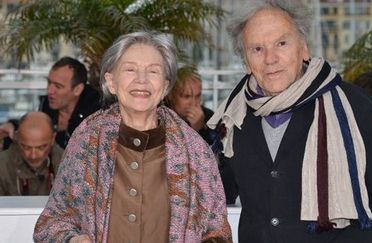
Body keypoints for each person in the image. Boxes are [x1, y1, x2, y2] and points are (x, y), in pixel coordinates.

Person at [207, 1, 372, 242]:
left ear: (304, 48)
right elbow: (215, 197)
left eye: (281, 43)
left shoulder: (354, 107)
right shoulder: (233, 118)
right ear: (246, 61)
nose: (270, 59)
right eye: (257, 49)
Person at [33, 31, 232, 243]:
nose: (141, 80)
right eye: (130, 69)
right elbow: (51, 223)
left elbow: (218, 233)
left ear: (165, 86)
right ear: (111, 81)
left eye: (153, 71)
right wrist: (72, 240)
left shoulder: (195, 150)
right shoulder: (87, 140)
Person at [0, 57, 101, 149]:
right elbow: (34, 128)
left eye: (58, 86)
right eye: (49, 83)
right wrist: (12, 126)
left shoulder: (96, 116)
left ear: (77, 89)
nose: (49, 91)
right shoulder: (46, 106)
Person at [0, 112, 63, 196]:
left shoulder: (69, 165)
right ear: (17, 138)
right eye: (26, 147)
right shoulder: (3, 166)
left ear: (52, 139)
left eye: (41, 147)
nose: (33, 156)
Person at [165, 68, 215, 144]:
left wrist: (200, 129)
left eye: (198, 96)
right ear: (170, 95)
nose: (193, 103)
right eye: (186, 96)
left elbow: (212, 153)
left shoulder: (209, 117)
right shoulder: (158, 117)